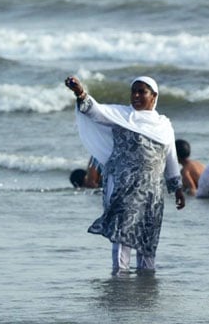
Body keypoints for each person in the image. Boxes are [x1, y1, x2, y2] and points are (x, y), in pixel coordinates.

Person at [64, 75, 185, 275]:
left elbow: (171, 157)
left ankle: (146, 283)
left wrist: (177, 188)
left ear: (154, 96)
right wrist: (80, 92)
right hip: (124, 188)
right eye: (133, 91)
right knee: (123, 235)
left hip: (152, 193)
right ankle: (119, 280)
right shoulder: (121, 117)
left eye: (142, 91)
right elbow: (96, 112)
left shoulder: (164, 125)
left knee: (148, 238)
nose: (136, 95)